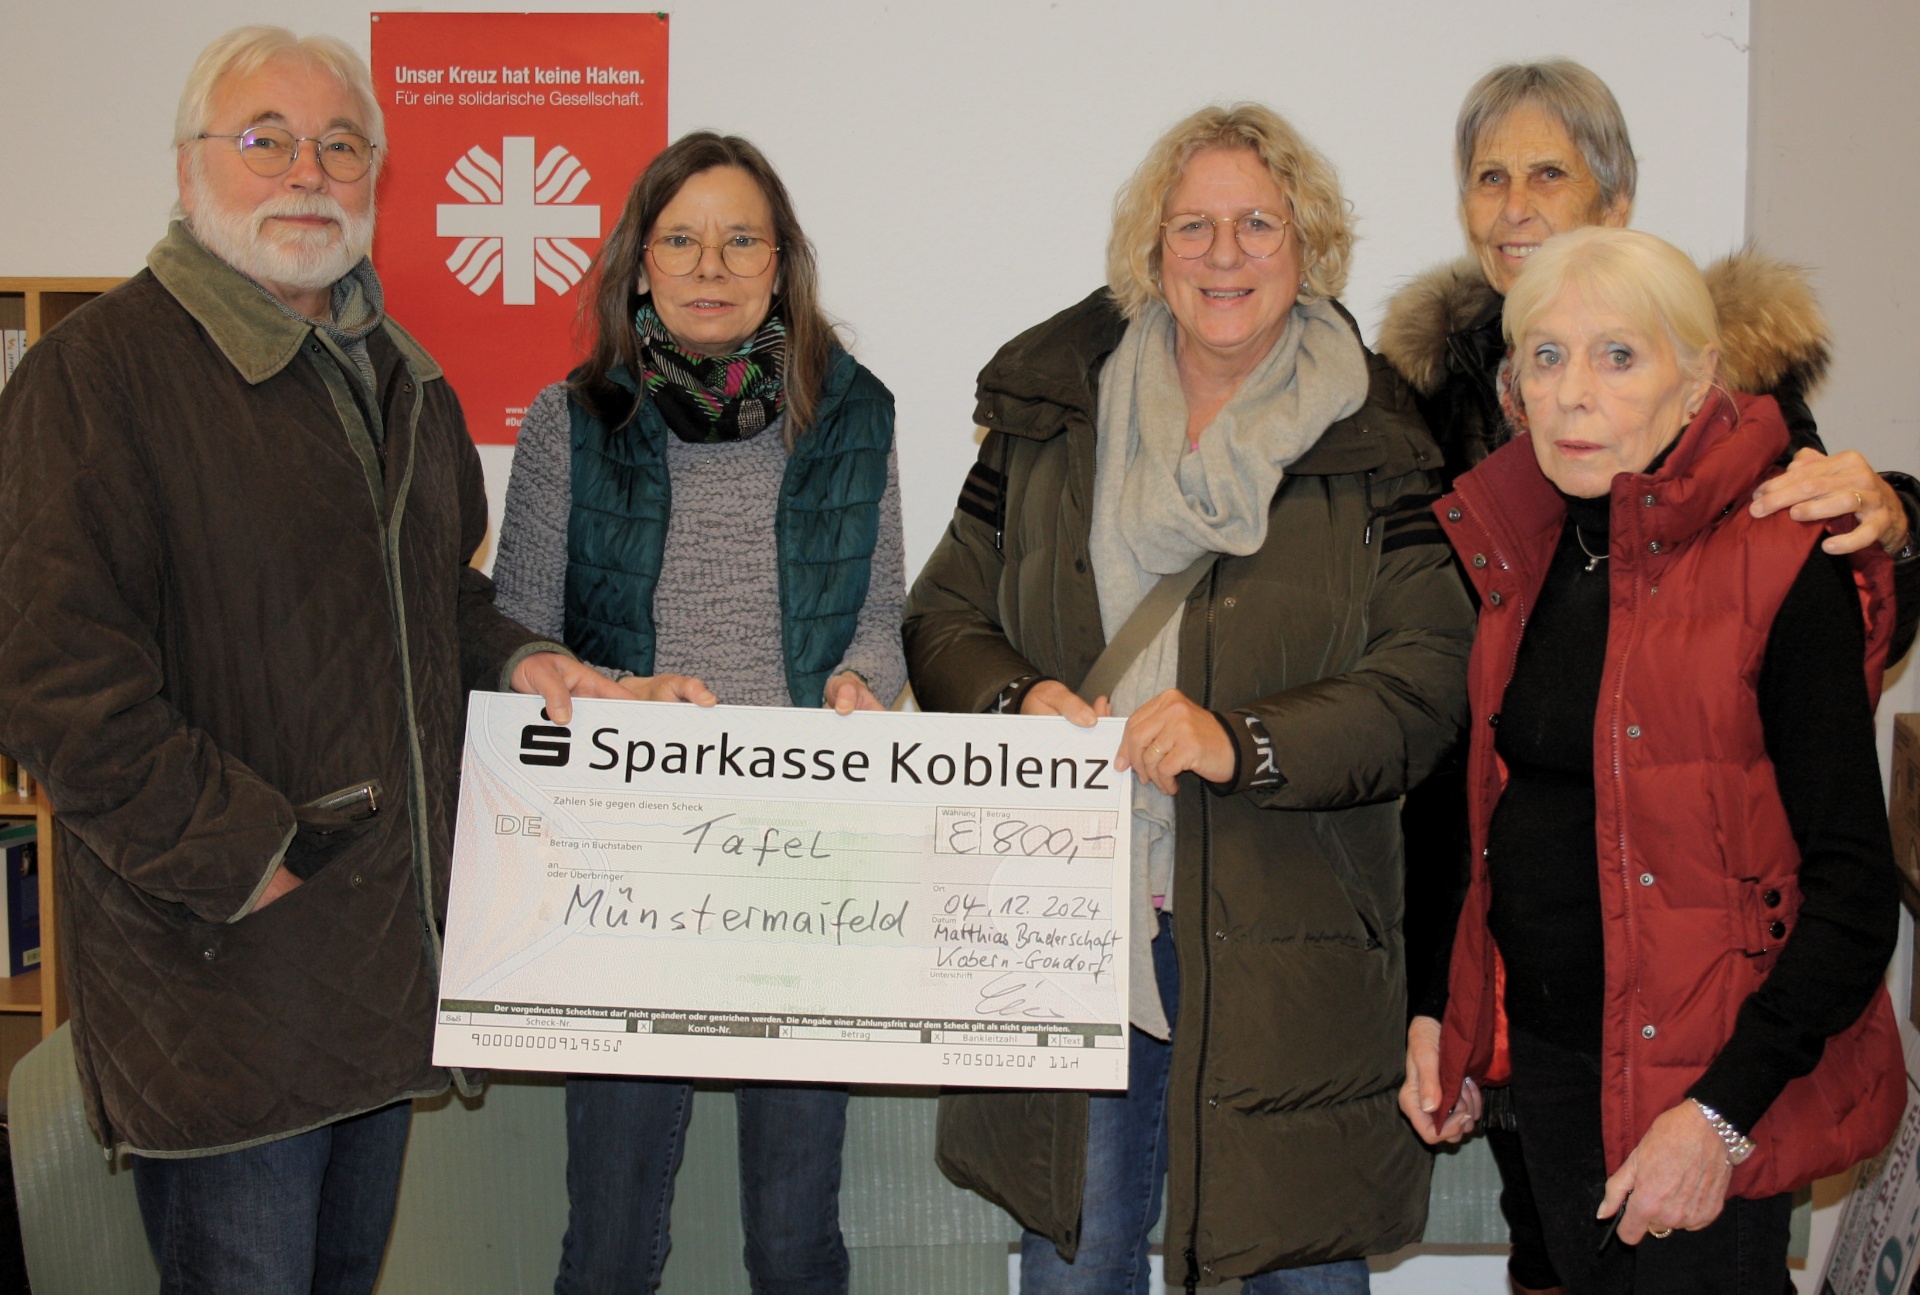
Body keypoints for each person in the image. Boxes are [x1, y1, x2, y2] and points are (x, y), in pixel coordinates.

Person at [0, 25, 625, 1295]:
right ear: (189, 171)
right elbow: (55, 678)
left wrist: (527, 662)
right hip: (224, 972)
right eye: (266, 138)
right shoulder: (97, 375)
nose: (310, 169)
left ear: (378, 180)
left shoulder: (404, 379)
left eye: (343, 145)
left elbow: (431, 604)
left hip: (374, 968)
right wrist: (252, 856)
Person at [904, 103, 1473, 1294]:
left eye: (1257, 224)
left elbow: (1426, 683)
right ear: (1150, 251)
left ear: (1306, 243)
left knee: (1293, 1269)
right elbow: (944, 611)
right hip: (1074, 914)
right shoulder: (1051, 410)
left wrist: (1245, 739)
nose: (1224, 254)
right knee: (1075, 1261)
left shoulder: (1382, 439)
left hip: (1292, 928)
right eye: (1194, 226)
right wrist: (1016, 698)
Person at [1376, 61, 1918, 1295]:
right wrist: (1449, 1017)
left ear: (1699, 374)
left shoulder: (1778, 545)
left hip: (1703, 1084)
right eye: (1549, 359)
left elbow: (1848, 884)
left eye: (1618, 357)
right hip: (1560, 1063)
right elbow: (1485, 803)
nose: (1577, 393)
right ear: (1512, 387)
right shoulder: (1531, 549)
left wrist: (1718, 1115)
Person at [489, 130, 906, 1295]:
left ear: (782, 265)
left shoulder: (853, 414)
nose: (710, 263)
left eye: (740, 238)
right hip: (624, 868)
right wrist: (612, 695)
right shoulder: (569, 420)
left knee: (791, 1238)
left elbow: (880, 613)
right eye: (681, 238)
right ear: (639, 265)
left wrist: (858, 685)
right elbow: (519, 638)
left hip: (799, 866)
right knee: (613, 1241)